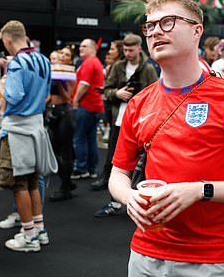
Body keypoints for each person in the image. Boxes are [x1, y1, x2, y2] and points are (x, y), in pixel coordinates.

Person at [109, 0, 224, 276]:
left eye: (168, 22)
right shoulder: (139, 102)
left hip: (210, 258)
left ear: (197, 31)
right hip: (145, 254)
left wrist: (199, 190)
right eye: (150, 26)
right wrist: (128, 197)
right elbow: (118, 174)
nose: (156, 31)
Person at [0, 20, 51, 252]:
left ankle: (28, 236)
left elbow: (13, 97)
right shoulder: (43, 60)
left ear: (7, 40)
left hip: (18, 131)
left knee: (19, 184)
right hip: (36, 128)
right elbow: (45, 95)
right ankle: (39, 229)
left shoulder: (17, 63)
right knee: (33, 182)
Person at [93, 33, 158, 216]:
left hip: (142, 123)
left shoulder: (148, 69)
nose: (128, 53)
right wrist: (117, 93)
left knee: (142, 163)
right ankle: (115, 202)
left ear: (139, 48)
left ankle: (140, 201)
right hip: (119, 119)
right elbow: (107, 89)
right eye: (125, 50)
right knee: (115, 161)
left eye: (131, 50)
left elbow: (155, 94)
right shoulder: (118, 66)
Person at [71, 39, 104, 179]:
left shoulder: (90, 63)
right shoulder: (94, 62)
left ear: (92, 48)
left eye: (84, 46)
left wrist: (75, 101)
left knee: (79, 138)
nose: (80, 48)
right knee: (90, 138)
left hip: (87, 105)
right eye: (80, 46)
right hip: (95, 106)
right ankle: (92, 169)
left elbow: (84, 84)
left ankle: (81, 169)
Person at [47, 47, 76, 202]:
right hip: (53, 111)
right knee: (53, 149)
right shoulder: (50, 74)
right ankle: (67, 180)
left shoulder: (68, 76)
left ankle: (65, 185)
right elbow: (49, 96)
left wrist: (58, 83)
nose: (54, 62)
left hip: (65, 112)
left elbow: (67, 97)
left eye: (56, 59)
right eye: (52, 59)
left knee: (65, 151)